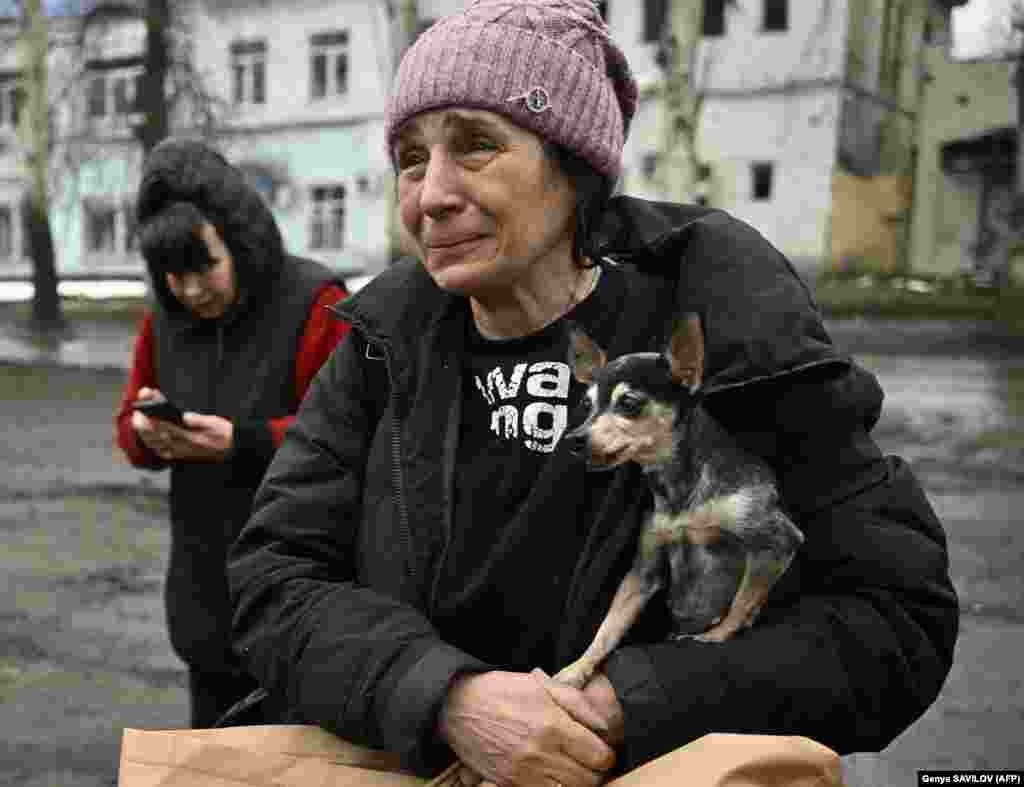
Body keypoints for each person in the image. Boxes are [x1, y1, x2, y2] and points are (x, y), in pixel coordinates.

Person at [227, 2, 959, 785]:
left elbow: (892, 620)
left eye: (476, 145)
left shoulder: (726, 326)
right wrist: (447, 697)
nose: (430, 194)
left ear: (573, 170)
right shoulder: (381, 343)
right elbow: (275, 580)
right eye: (411, 157)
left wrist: (629, 703)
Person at [114, 138, 351, 728]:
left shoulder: (316, 302)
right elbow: (127, 426)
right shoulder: (163, 321)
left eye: (205, 267)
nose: (191, 291)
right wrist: (148, 431)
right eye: (174, 276)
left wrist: (242, 443)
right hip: (203, 600)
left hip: (302, 596)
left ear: (239, 243)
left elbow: (353, 437)